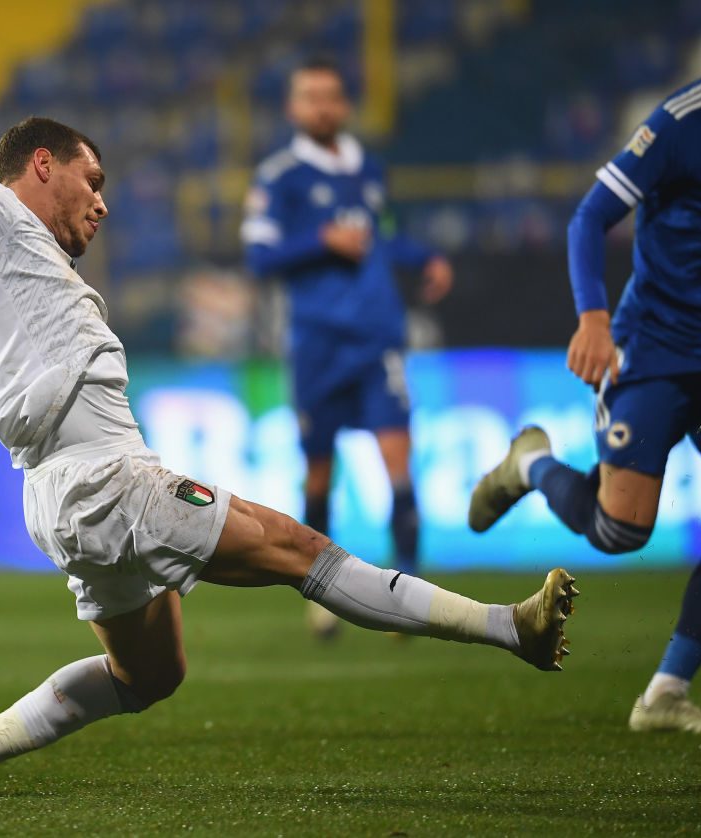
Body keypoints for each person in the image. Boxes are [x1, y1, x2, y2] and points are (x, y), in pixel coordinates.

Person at [0, 34, 577, 794]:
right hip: (105, 481)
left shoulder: (8, 260)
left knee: (149, 675)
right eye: (91, 179)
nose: (101, 201)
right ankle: (512, 628)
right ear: (43, 166)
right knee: (304, 552)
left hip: (59, 497)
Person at [468, 6, 701, 734]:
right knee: (622, 532)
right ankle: (533, 466)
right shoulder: (685, 120)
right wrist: (592, 319)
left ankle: (665, 693)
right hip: (656, 353)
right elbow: (589, 217)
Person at [241, 59, 453, 639]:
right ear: (293, 109)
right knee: (318, 474)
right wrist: (320, 240)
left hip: (377, 337)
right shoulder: (279, 177)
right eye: (311, 98)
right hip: (316, 345)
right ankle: (322, 594)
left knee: (398, 462)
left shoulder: (367, 167)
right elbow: (260, 257)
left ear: (344, 105)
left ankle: (411, 596)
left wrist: (424, 259)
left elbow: (380, 237)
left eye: (331, 97)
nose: (323, 107)